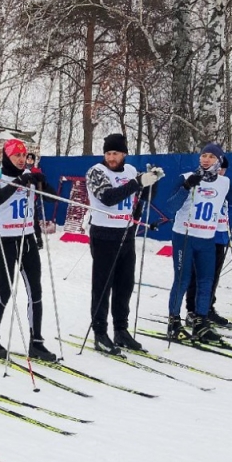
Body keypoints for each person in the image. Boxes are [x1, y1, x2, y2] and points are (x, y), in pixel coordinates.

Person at [85, 133, 164, 354]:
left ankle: (121, 330)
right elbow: (108, 197)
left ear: (124, 154)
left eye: (116, 153)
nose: (111, 157)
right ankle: (100, 333)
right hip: (104, 235)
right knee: (102, 287)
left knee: (125, 286)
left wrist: (152, 181)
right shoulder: (96, 172)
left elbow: (145, 196)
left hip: (127, 234)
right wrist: (138, 182)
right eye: (108, 153)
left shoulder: (130, 171)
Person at [0, 138, 56, 362]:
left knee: (36, 291)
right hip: (4, 240)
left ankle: (36, 342)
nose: (22, 160)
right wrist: (19, 183)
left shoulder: (29, 177)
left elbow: (52, 198)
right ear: (7, 156)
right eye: (17, 156)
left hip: (27, 239)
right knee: (4, 292)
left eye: (24, 156)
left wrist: (41, 181)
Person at [168, 144, 232, 342]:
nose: (206, 159)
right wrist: (186, 188)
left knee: (206, 281)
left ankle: (201, 322)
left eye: (211, 156)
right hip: (184, 236)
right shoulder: (186, 177)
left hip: (207, 238)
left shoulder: (224, 182)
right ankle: (174, 323)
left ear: (219, 160)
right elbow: (170, 207)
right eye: (204, 155)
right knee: (182, 279)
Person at [186, 155, 232, 328]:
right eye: (218, 168)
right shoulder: (203, 184)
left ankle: (207, 308)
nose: (220, 172)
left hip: (219, 236)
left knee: (212, 277)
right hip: (204, 235)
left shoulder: (224, 184)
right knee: (197, 275)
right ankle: (192, 310)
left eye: (223, 169)